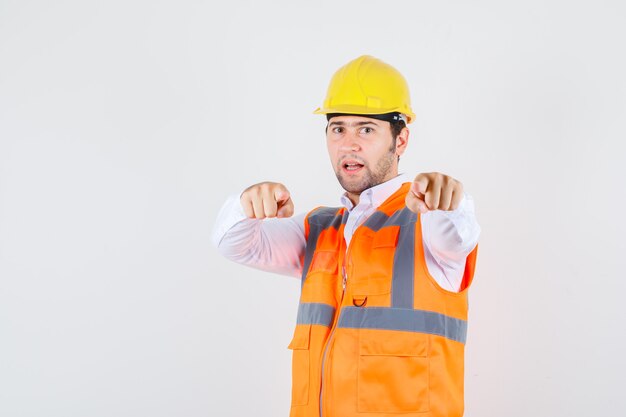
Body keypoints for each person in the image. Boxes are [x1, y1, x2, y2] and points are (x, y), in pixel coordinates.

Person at [212, 55, 480, 417]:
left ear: (400, 139)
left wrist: (448, 201)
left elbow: (456, 237)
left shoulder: (429, 218)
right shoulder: (320, 228)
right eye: (338, 128)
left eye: (366, 129)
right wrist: (246, 205)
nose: (348, 144)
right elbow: (232, 244)